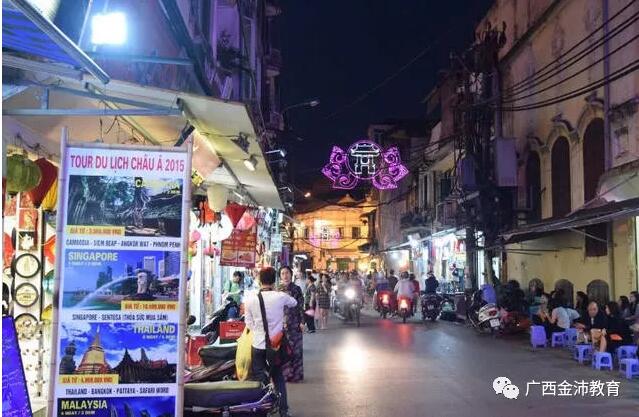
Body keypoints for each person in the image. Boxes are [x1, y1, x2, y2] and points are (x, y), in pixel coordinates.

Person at [244, 267, 297, 417]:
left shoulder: (250, 299)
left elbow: (249, 324)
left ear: (259, 280)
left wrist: (260, 331)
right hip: (275, 346)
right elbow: (294, 303)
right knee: (278, 377)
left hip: (258, 345)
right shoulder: (280, 296)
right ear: (274, 281)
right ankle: (283, 410)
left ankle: (262, 410)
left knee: (261, 379)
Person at [278, 266, 305, 382]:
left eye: (287, 273)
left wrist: (302, 322)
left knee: (296, 350)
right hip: (280, 325)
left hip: (294, 323)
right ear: (280, 276)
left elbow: (301, 306)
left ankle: (297, 375)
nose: (285, 276)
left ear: (291, 274)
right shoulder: (277, 290)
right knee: (283, 350)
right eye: (283, 273)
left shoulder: (296, 289)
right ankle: (285, 375)